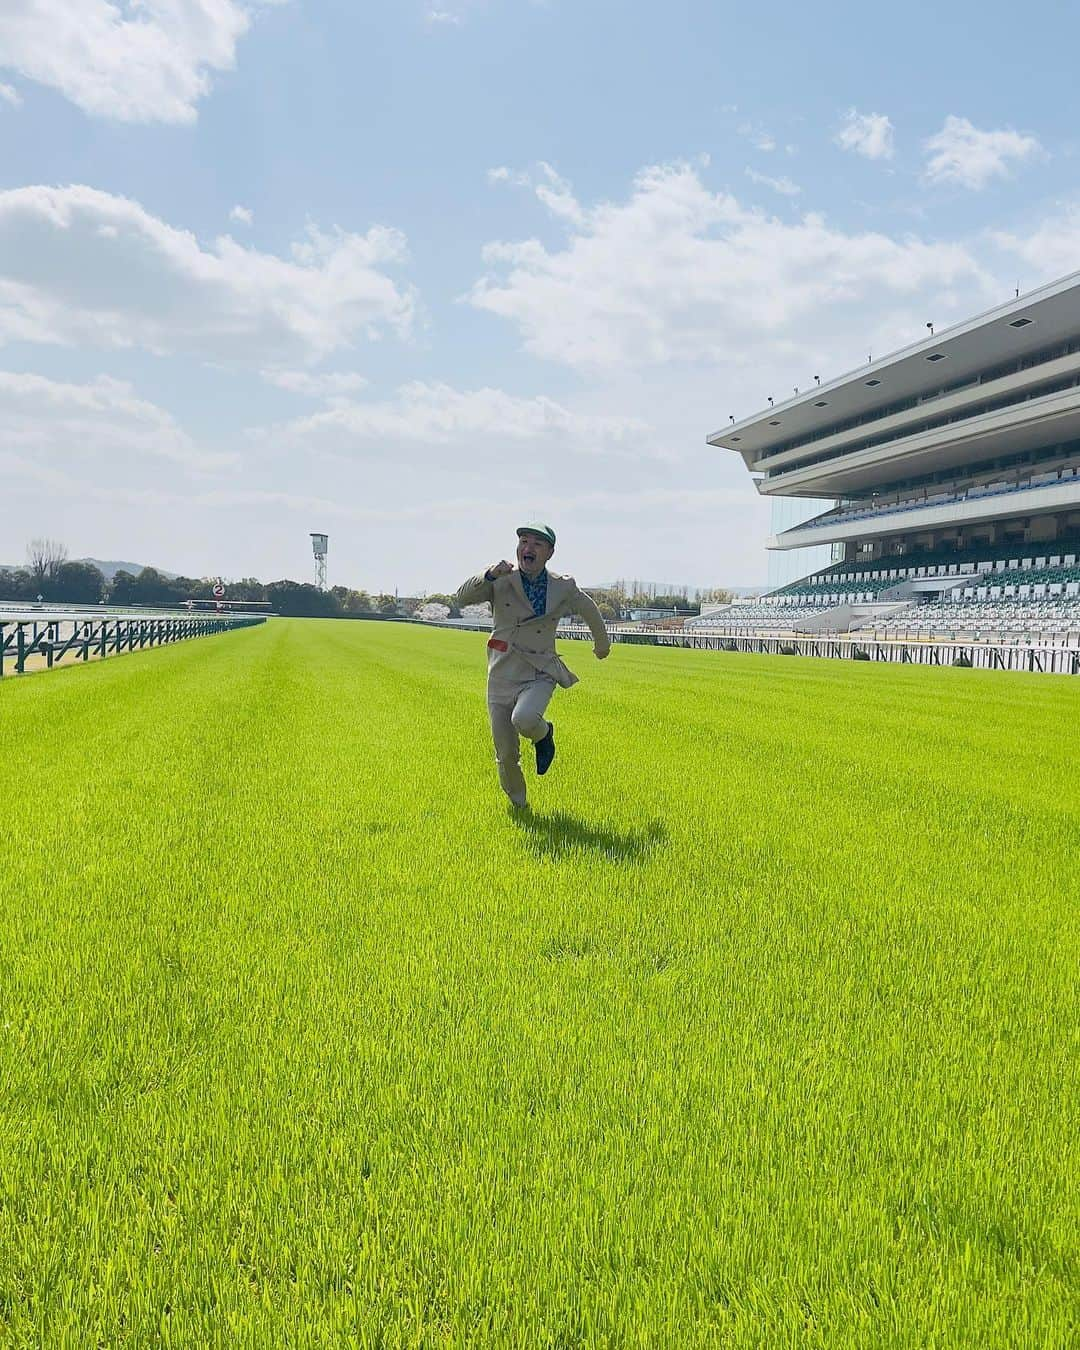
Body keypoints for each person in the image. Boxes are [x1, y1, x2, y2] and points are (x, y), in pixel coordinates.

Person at [456, 523, 610, 809]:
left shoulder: (563, 586)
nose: (528, 548)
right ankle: (520, 806)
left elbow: (588, 608)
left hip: (539, 670)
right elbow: (461, 597)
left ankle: (544, 733)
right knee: (505, 754)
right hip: (501, 673)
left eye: (537, 544)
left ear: (549, 552)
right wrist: (488, 575)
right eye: (524, 541)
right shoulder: (500, 579)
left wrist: (602, 645)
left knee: (525, 719)